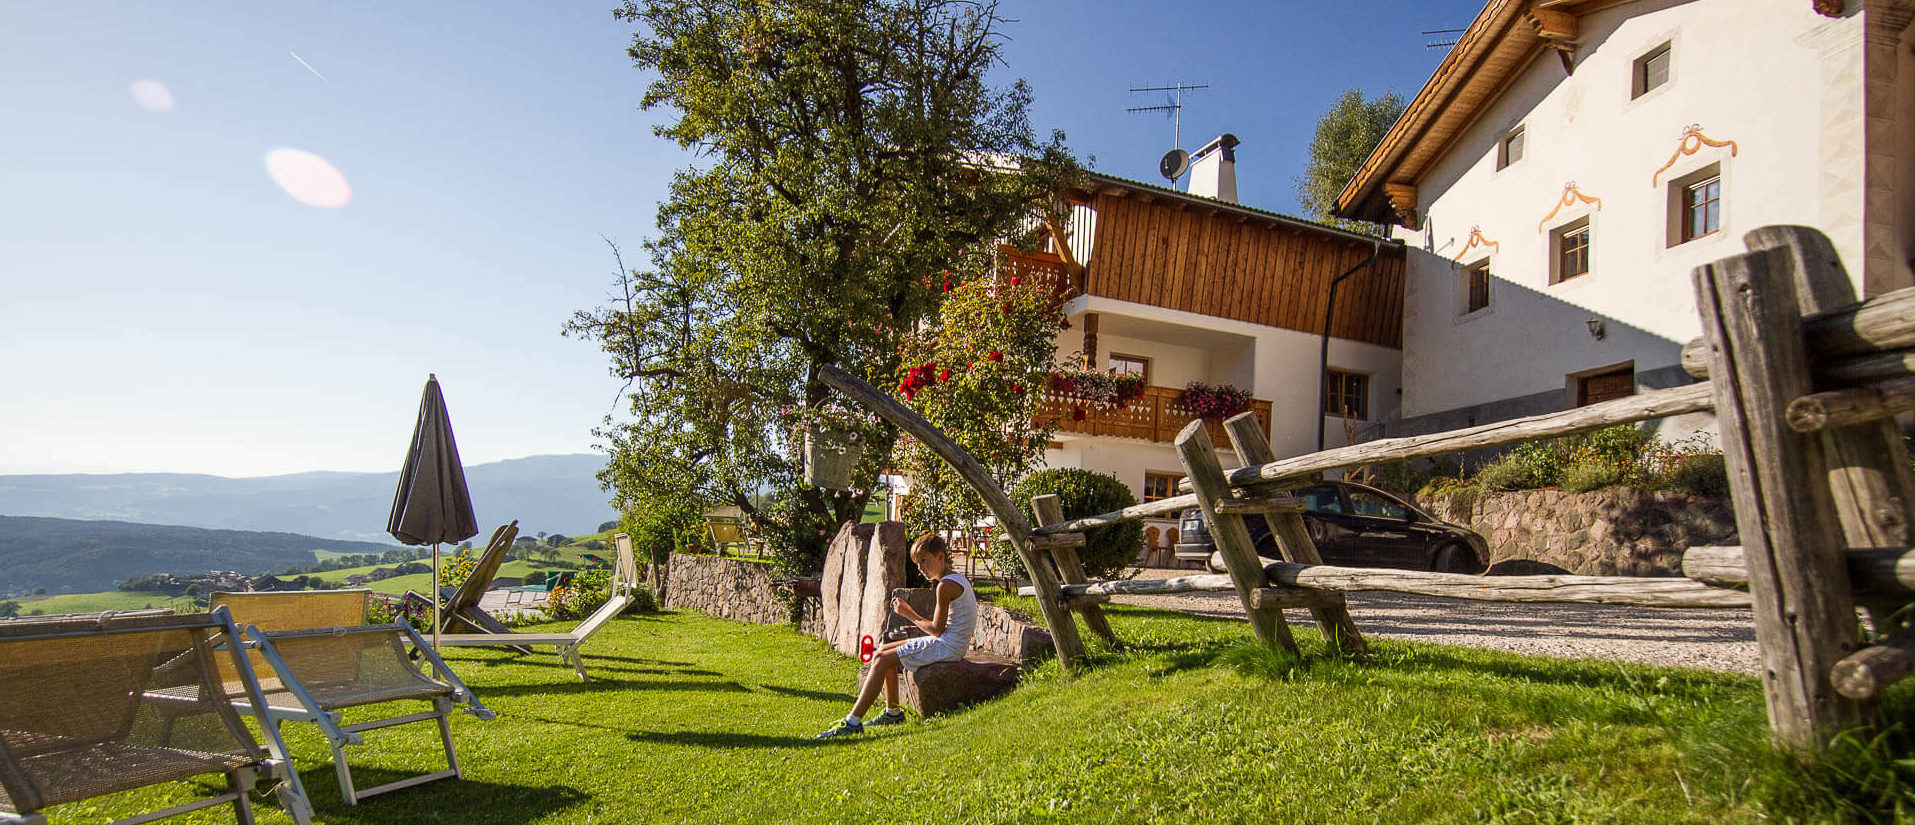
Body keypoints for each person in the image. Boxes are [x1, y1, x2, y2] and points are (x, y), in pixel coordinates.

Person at [816, 533, 976, 738]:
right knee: (881, 651)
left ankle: (852, 721)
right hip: (949, 643)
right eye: (918, 564)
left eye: (924, 562)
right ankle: (893, 713)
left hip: (948, 646)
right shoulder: (956, 579)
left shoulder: (945, 586)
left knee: (882, 659)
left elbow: (937, 630)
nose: (921, 569)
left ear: (941, 557)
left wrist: (907, 612)